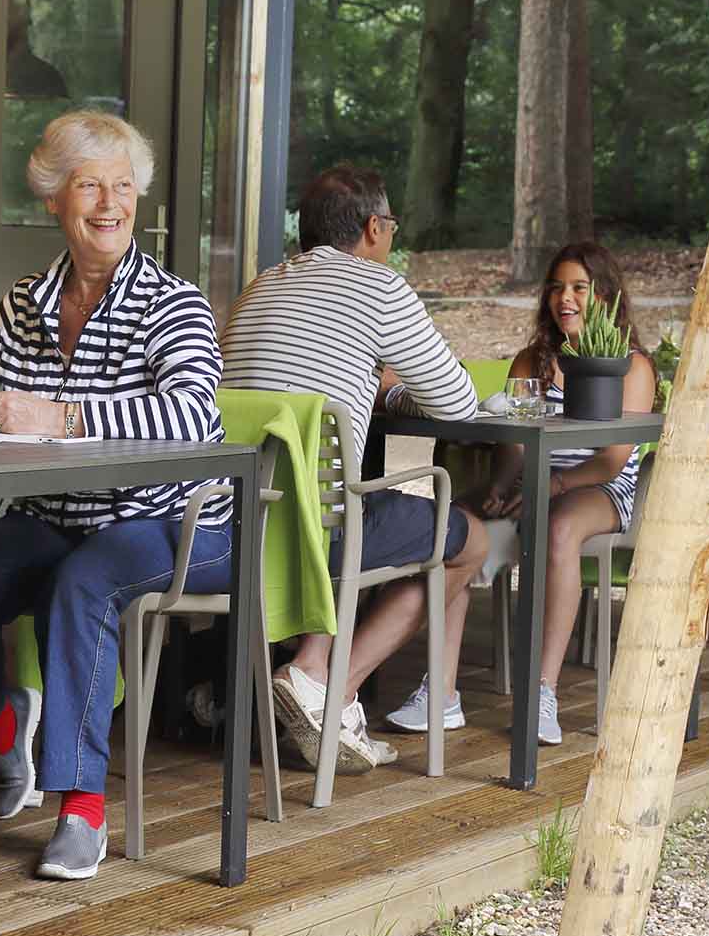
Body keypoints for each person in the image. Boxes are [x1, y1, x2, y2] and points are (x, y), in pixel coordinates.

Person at [0, 110, 227, 882]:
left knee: (85, 580)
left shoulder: (171, 302)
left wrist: (61, 415)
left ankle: (82, 807)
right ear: (54, 197)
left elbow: (192, 415)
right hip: (56, 515)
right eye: (89, 186)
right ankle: (0, 728)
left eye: (123, 186)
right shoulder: (25, 303)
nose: (110, 203)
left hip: (172, 521)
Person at [220, 165, 488, 773]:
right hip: (318, 529)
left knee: (355, 508)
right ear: (373, 228)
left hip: (231, 521)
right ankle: (329, 686)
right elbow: (457, 403)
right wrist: (394, 388)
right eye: (391, 225)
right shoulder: (380, 287)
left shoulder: (258, 287)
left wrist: (378, 385)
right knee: (470, 541)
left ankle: (314, 676)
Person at [405, 241, 657, 746]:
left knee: (558, 526)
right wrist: (500, 487)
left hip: (598, 489)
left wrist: (553, 485)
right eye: (557, 288)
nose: (566, 298)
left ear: (605, 296)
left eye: (580, 288)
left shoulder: (631, 367)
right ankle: (442, 693)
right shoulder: (531, 361)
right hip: (534, 482)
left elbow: (612, 460)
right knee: (455, 525)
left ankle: (542, 692)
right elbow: (515, 444)